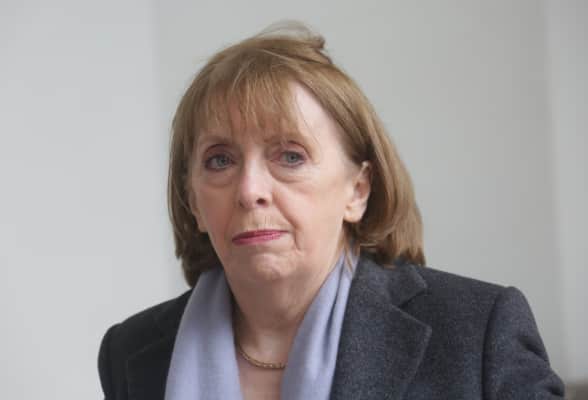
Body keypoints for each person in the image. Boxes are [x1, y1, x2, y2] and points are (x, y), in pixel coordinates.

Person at [98, 23, 564, 400]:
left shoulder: (478, 332)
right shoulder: (132, 353)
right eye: (220, 160)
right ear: (193, 202)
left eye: (290, 156)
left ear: (357, 191)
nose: (250, 190)